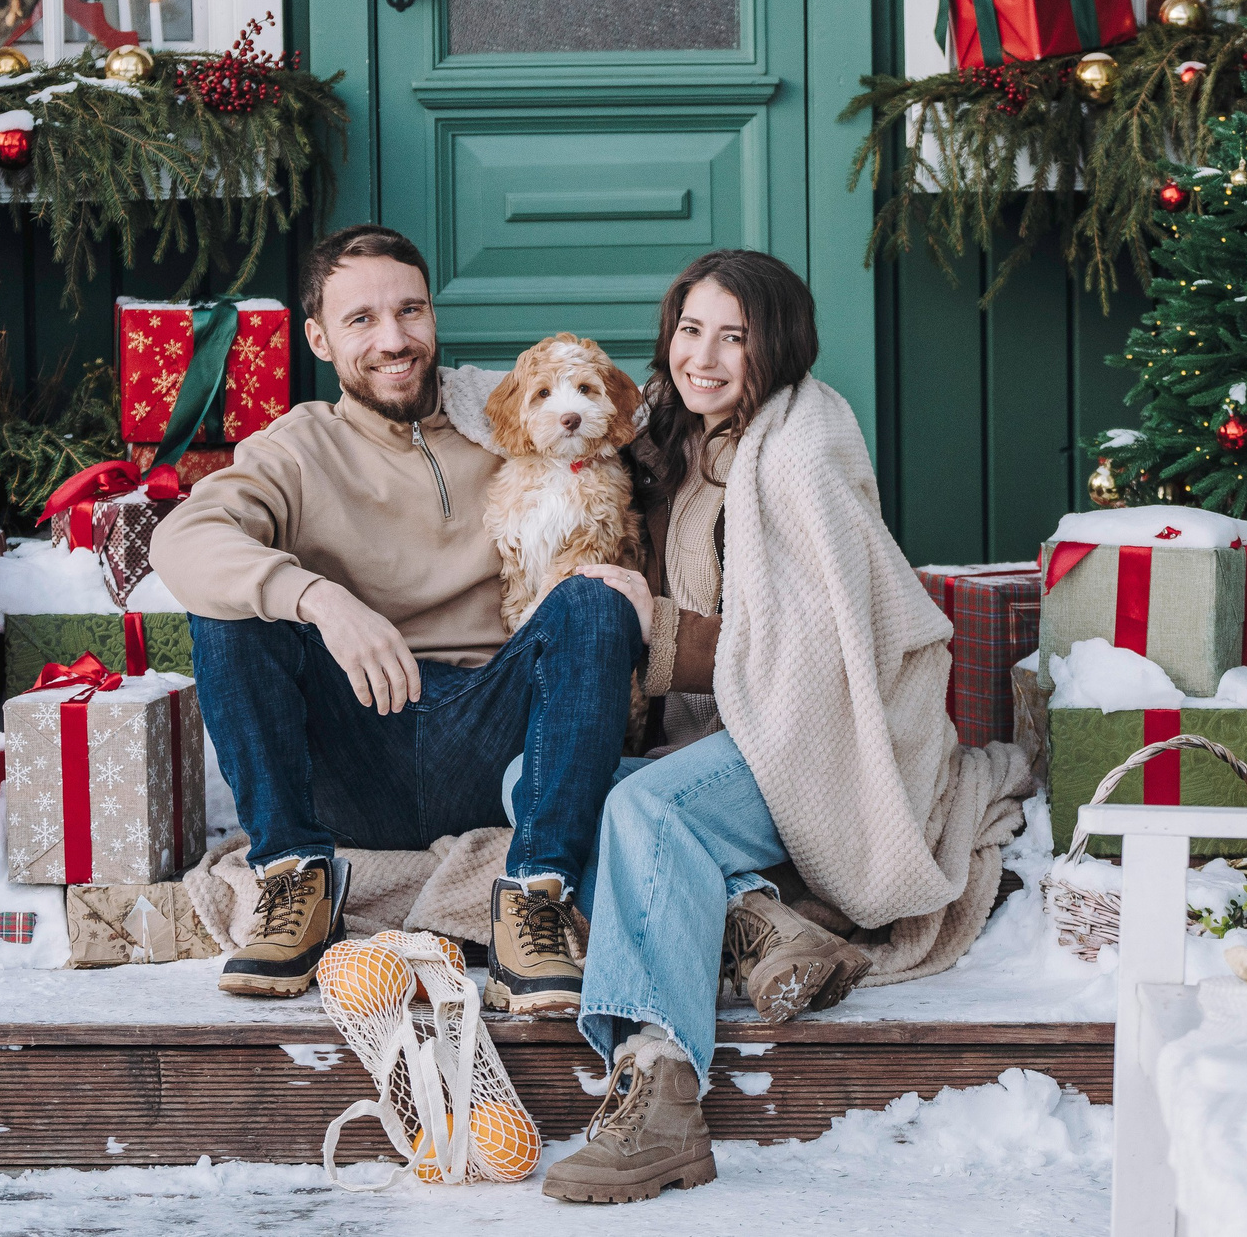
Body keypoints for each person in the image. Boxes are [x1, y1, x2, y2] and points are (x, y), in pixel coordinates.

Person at [538, 250, 1029, 1206]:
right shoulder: (678, 436)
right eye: (691, 330)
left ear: (782, 347)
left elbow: (820, 648)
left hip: (826, 734)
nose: (705, 357)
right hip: (734, 724)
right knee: (537, 781)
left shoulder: (800, 449)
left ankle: (661, 1080)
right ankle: (758, 924)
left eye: (735, 337)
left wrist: (656, 629)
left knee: (642, 811)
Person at [151, 224, 640, 1009]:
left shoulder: (506, 409)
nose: (394, 340)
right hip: (357, 741)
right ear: (317, 338)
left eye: (410, 311)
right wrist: (318, 597)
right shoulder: (298, 446)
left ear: (434, 318)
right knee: (230, 609)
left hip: (497, 731)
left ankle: (535, 896)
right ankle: (293, 878)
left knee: (592, 597)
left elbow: (631, 417)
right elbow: (182, 540)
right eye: (361, 320)